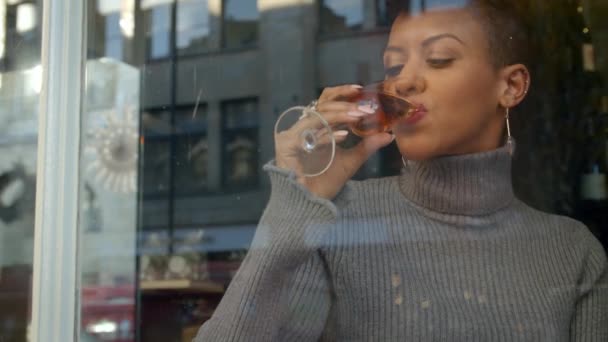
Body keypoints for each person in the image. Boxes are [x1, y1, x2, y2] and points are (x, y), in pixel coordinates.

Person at [195, 1, 608, 340]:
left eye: (439, 59)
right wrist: (295, 207)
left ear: (512, 87)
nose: (404, 82)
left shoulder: (573, 252)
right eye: (393, 67)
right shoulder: (333, 220)